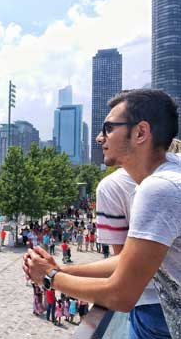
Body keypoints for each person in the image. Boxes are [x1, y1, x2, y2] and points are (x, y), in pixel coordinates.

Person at [23, 89, 181, 339]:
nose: (99, 137)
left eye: (108, 128)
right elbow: (130, 260)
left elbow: (121, 295)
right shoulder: (170, 172)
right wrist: (63, 269)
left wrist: (49, 277)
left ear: (140, 132)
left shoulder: (158, 188)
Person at [94, 138, 181, 338]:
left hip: (150, 303)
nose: (100, 138)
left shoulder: (113, 187)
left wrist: (53, 276)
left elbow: (124, 269)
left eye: (109, 129)